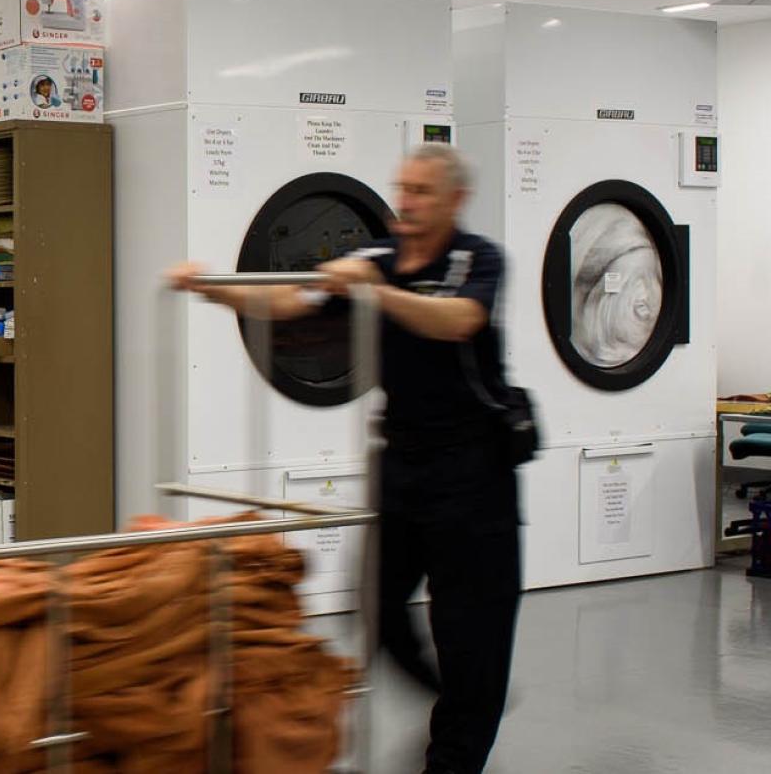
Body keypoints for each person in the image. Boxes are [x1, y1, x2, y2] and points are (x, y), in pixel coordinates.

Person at [166, 143, 520, 774]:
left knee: (473, 634)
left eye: (422, 192)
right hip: (405, 464)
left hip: (477, 471)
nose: (406, 203)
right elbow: (294, 302)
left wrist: (376, 293)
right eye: (402, 188)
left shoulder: (477, 259)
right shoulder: (376, 257)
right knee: (379, 610)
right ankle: (462, 699)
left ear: (455, 201)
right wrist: (214, 288)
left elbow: (459, 321)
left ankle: (457, 745)